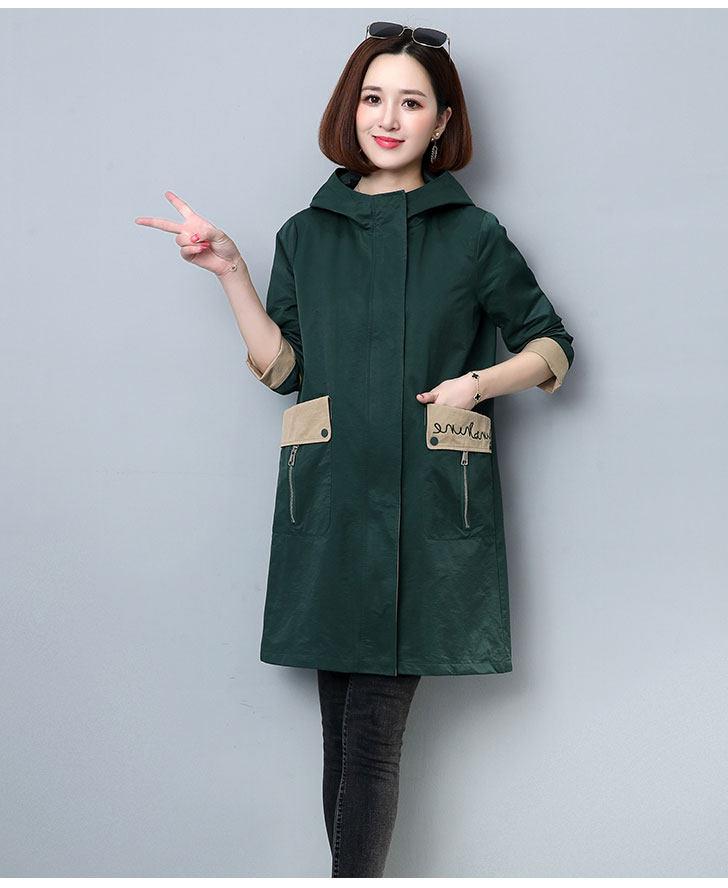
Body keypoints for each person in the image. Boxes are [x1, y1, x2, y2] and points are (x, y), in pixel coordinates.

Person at [135, 21, 574, 878]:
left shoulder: (472, 234)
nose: (388, 117)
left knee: (370, 736)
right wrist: (231, 270)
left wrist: (476, 384)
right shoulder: (306, 233)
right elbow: (285, 369)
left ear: (442, 121)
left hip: (425, 511)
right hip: (331, 508)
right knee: (342, 733)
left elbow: (551, 344)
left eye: (411, 102)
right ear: (352, 107)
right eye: (374, 98)